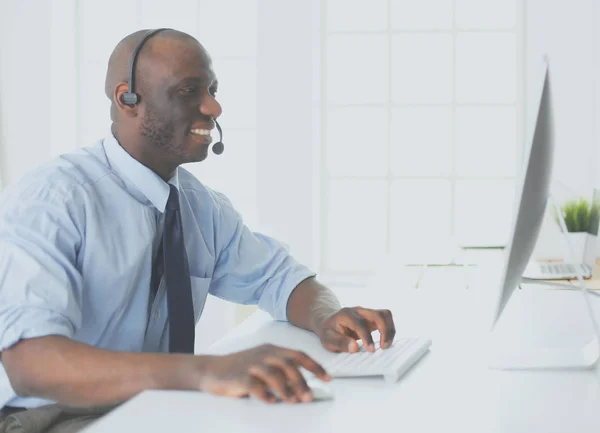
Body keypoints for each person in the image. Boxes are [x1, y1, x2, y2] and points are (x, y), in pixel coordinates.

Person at [0, 29, 396, 431]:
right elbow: (32, 364)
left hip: (149, 410)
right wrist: (203, 371)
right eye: (189, 91)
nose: (214, 106)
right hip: (50, 418)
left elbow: (281, 279)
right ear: (127, 99)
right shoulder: (54, 200)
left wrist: (327, 316)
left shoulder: (197, 204)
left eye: (212, 89)